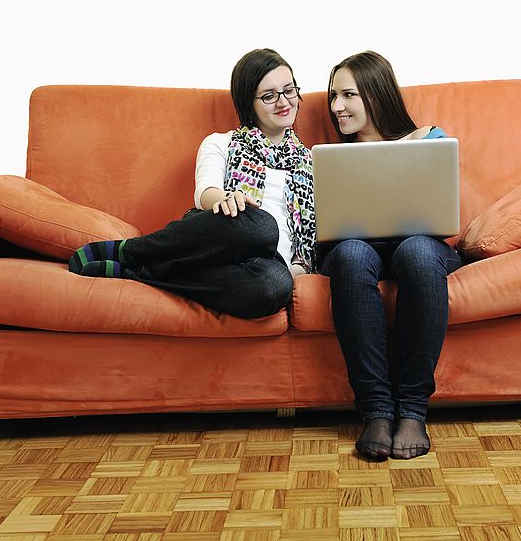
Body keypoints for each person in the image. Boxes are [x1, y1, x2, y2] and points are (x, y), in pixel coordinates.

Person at [68, 48, 315, 319]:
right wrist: (224, 199)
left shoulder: (313, 162)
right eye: (269, 96)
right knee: (262, 226)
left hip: (265, 264)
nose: (284, 102)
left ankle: (136, 272)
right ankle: (130, 250)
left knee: (275, 285)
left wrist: (301, 265)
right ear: (248, 102)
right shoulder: (221, 142)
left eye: (289, 90)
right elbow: (205, 192)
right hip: (220, 237)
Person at [319, 51, 463, 459]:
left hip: (422, 245)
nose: (336, 107)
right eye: (333, 96)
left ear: (377, 93)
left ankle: (414, 410)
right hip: (353, 249)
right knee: (349, 254)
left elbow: (446, 214)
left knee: (417, 251)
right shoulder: (331, 157)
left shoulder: (428, 139)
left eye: (348, 94)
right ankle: (377, 411)